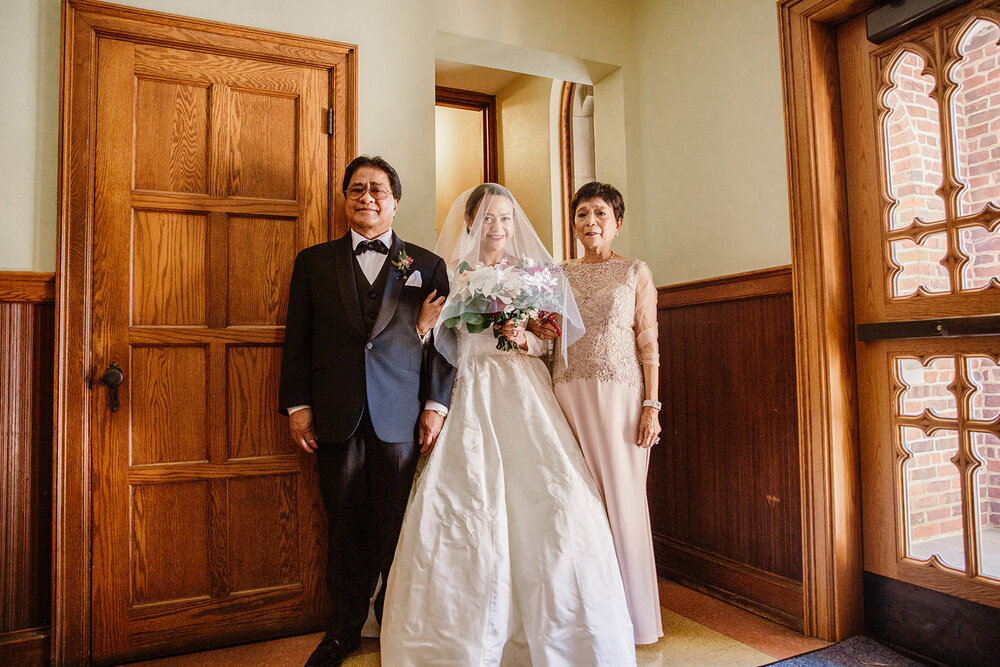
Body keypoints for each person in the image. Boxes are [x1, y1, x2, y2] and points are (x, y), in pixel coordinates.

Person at [380, 183, 637, 667]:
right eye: (488, 218)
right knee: (465, 498)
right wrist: (431, 326)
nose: (497, 227)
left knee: (552, 497)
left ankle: (562, 631)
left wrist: (524, 334)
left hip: (523, 383)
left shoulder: (533, 275)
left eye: (506, 218)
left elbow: (547, 342)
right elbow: (437, 345)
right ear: (471, 222)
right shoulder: (451, 272)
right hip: (471, 386)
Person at [278, 155, 455, 667]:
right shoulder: (313, 262)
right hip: (333, 413)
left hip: (400, 414)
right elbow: (298, 341)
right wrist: (298, 406)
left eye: (378, 190)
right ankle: (343, 630)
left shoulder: (426, 264)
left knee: (395, 522)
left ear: (395, 201)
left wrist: (435, 406)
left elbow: (442, 343)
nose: (367, 197)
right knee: (344, 524)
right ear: (344, 198)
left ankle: (397, 620)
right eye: (357, 189)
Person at [531, 181, 663, 645]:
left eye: (600, 214)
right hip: (566, 393)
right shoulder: (557, 274)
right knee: (577, 505)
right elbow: (546, 337)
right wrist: (535, 326)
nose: (591, 223)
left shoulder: (634, 272)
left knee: (623, 503)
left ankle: (636, 620)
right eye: (582, 214)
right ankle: (590, 616)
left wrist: (652, 405)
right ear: (573, 224)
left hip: (619, 397)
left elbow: (649, 344)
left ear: (617, 222)